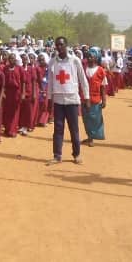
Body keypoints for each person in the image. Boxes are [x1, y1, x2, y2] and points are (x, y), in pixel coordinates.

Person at [46, 37, 90, 166]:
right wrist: (49, 99)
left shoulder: (75, 60)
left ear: (66, 45)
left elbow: (83, 79)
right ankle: (57, 155)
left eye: (61, 45)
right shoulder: (52, 62)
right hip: (58, 100)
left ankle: (76, 154)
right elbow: (50, 83)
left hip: (72, 99)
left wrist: (86, 98)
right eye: (57, 45)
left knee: (74, 129)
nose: (59, 47)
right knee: (58, 129)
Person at [81, 48, 107, 147]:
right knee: (86, 118)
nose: (89, 57)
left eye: (92, 56)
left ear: (96, 58)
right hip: (84, 98)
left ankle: (92, 137)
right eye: (88, 56)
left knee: (94, 119)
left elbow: (103, 86)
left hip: (95, 99)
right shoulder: (84, 69)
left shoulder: (100, 70)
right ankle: (89, 137)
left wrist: (104, 100)